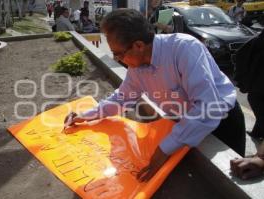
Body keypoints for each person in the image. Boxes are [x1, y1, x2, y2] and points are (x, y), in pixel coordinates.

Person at [64, 9, 246, 182]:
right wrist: (87, 115)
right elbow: (122, 98)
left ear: (138, 45)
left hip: (223, 123)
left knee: (228, 179)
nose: (117, 59)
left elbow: (207, 107)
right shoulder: (138, 67)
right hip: (186, 124)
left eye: (118, 53)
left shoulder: (184, 49)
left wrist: (164, 148)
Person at [235, 29, 264, 140]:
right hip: (258, 82)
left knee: (257, 105)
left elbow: (240, 55)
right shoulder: (258, 41)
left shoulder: (258, 41)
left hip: (258, 84)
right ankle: (257, 133)